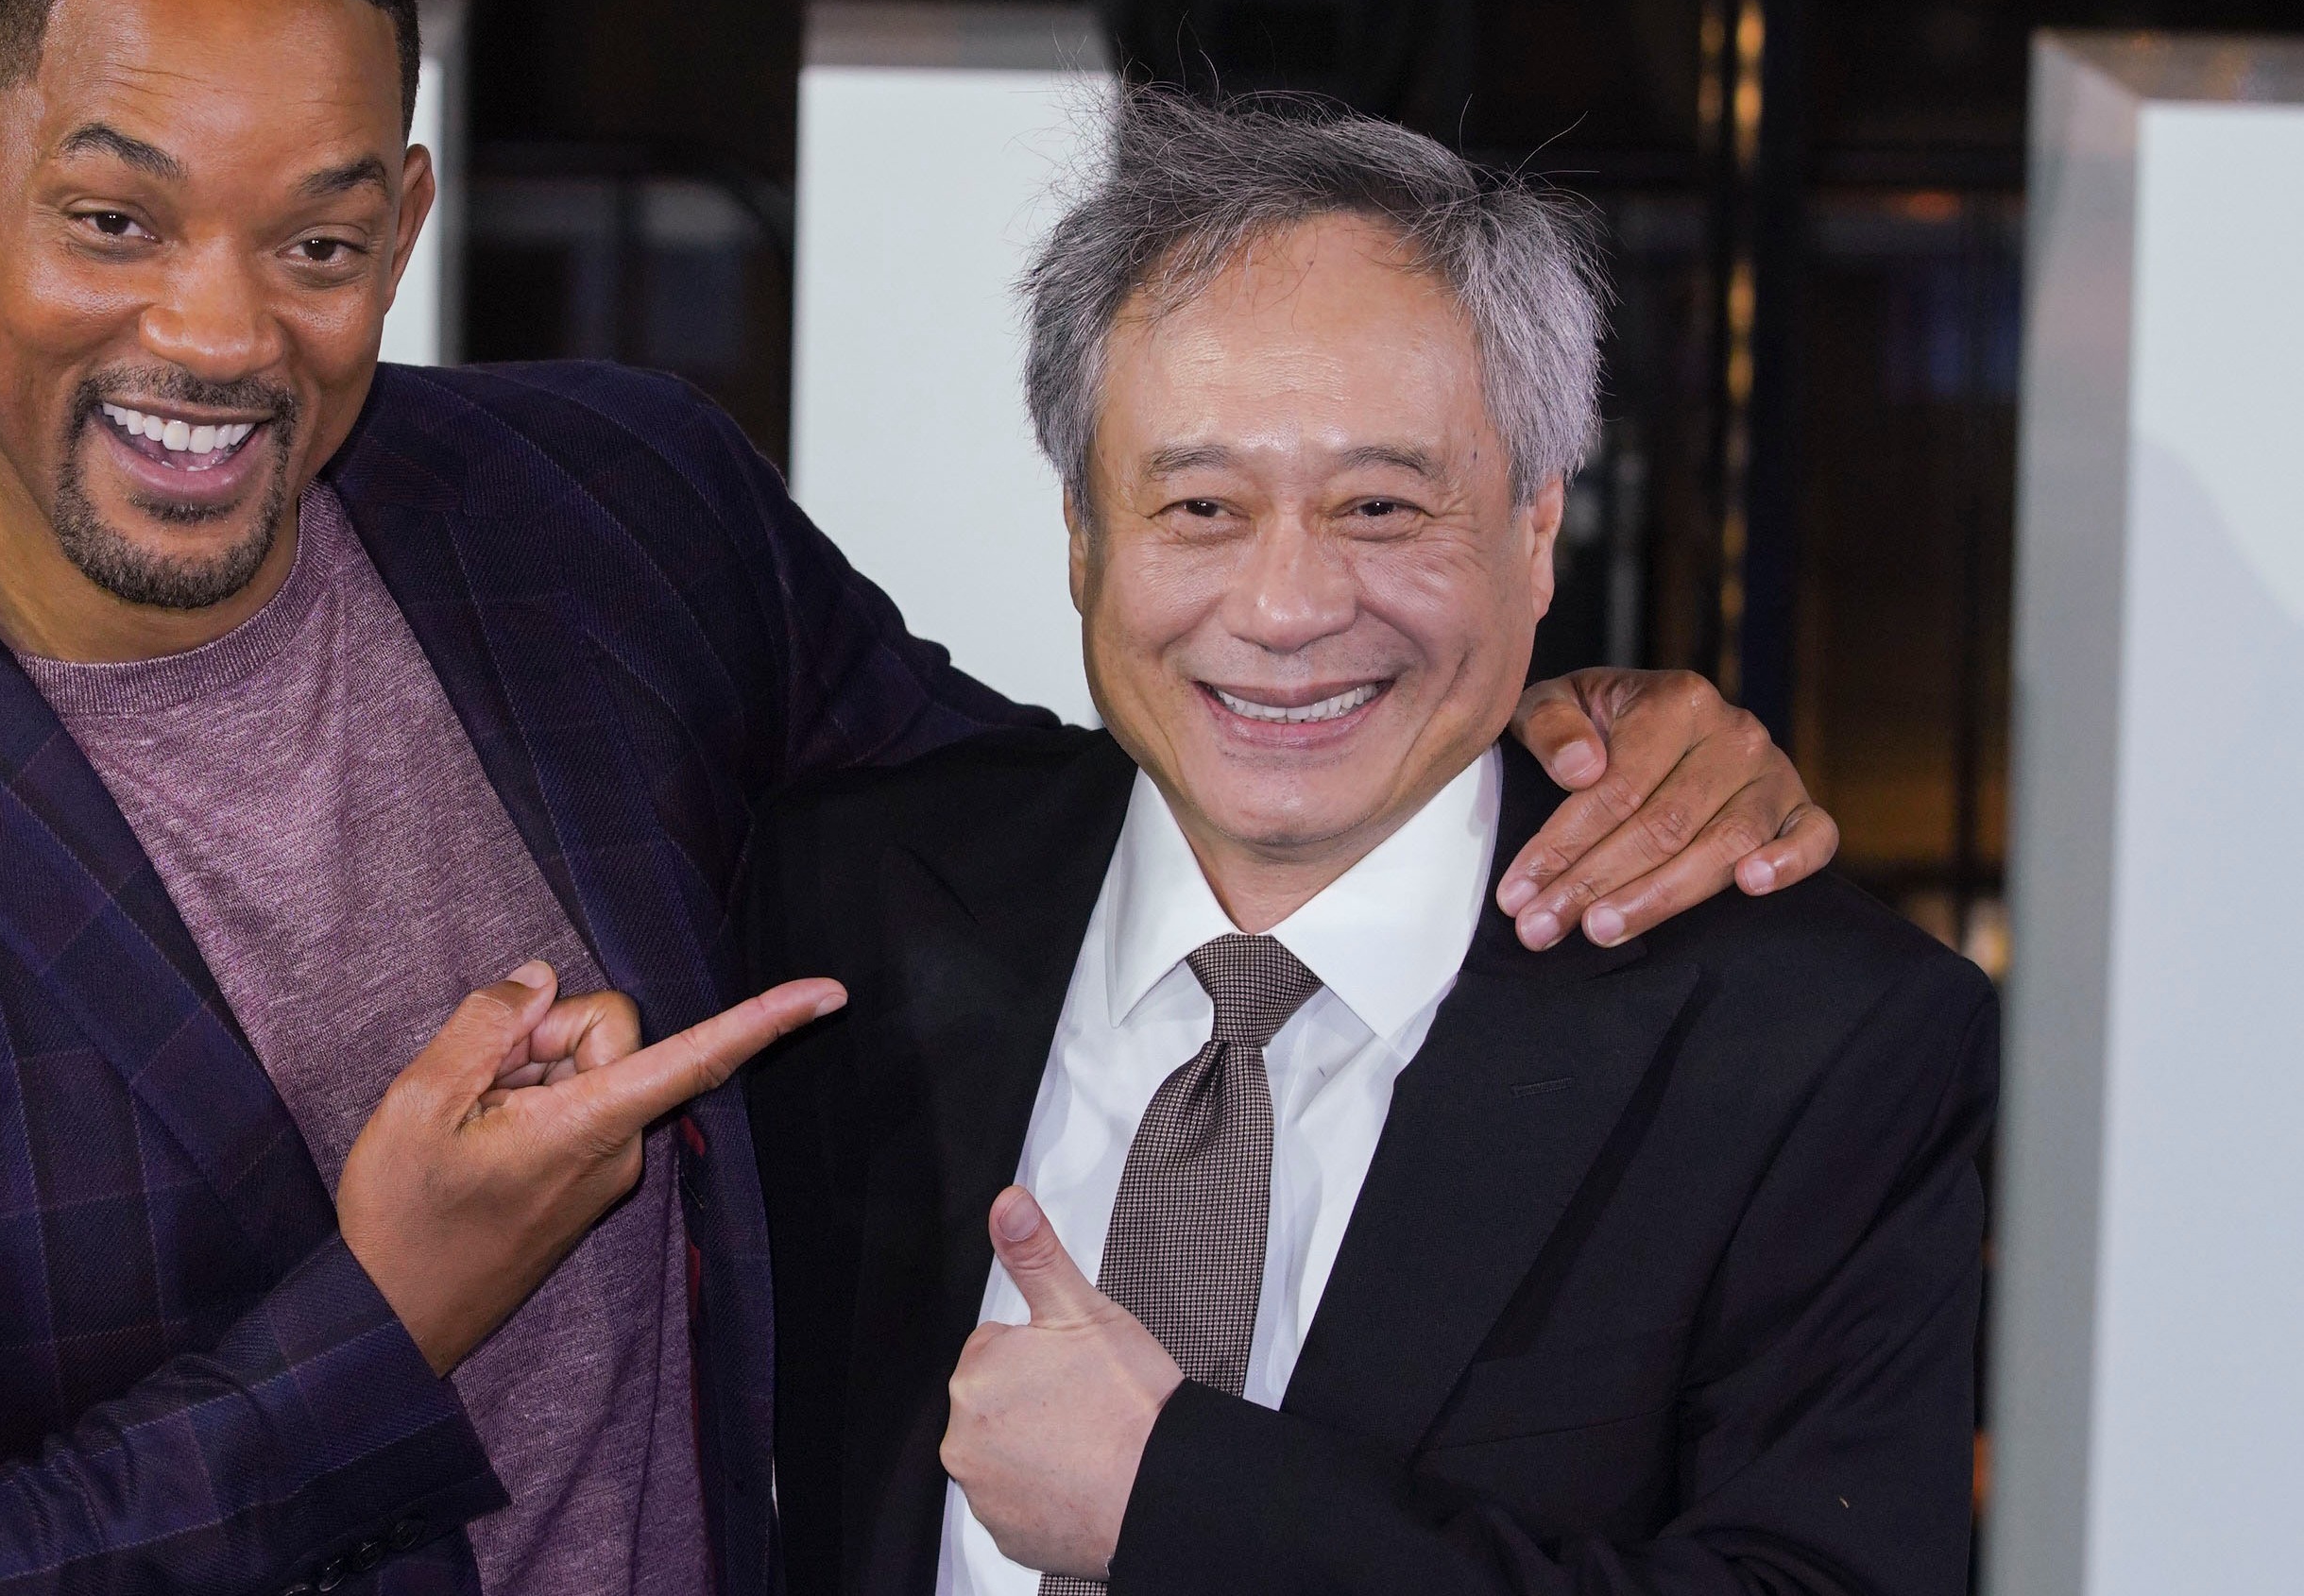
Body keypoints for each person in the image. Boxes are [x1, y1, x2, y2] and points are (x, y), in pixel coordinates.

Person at [0, 0, 1842, 1596]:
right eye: (111, 220)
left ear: (405, 225)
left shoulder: (604, 503)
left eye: (316, 241)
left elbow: (1073, 836)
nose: (215, 330)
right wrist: (374, 1325)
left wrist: (1541, 730)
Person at [742, 93, 1995, 1596]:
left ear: (1538, 527)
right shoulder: (837, 911)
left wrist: (1185, 1503)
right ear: (1082, 533)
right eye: (1200, 505)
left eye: (1382, 507)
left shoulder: (1812, 1044)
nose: (1286, 608)